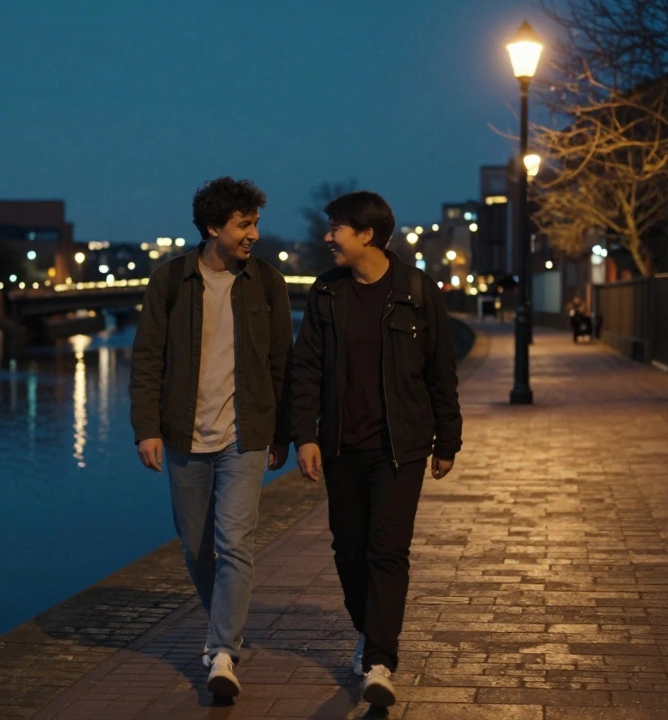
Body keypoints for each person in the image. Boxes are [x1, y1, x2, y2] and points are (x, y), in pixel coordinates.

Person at [291, 191, 462, 708]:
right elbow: (305, 370)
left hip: (400, 448)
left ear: (365, 234)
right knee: (349, 551)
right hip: (342, 445)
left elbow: (440, 371)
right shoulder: (327, 292)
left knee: (387, 552)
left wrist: (447, 439)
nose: (327, 237)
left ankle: (380, 661)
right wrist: (306, 434)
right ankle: (371, 632)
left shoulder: (416, 290)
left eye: (335, 228)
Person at [129, 176, 293, 700]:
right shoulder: (170, 281)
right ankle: (226, 627)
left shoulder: (267, 283)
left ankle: (222, 650)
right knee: (197, 548)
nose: (254, 234)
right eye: (245, 224)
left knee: (236, 544)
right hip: (182, 435)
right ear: (212, 227)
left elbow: (281, 364)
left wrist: (282, 431)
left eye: (256, 223)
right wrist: (146, 428)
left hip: (244, 436)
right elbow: (148, 359)